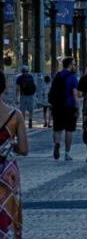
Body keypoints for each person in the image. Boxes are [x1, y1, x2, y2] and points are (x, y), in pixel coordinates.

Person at [0, 70, 29, 237]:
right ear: (4, 88)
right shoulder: (15, 115)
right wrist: (9, 145)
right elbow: (24, 149)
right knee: (7, 213)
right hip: (7, 172)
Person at [49, 57, 79, 161]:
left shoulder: (57, 75)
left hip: (57, 106)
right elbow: (75, 93)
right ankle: (67, 153)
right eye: (74, 64)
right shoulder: (72, 77)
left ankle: (57, 143)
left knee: (57, 129)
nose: (75, 66)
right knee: (69, 130)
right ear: (70, 65)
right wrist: (77, 106)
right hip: (69, 106)